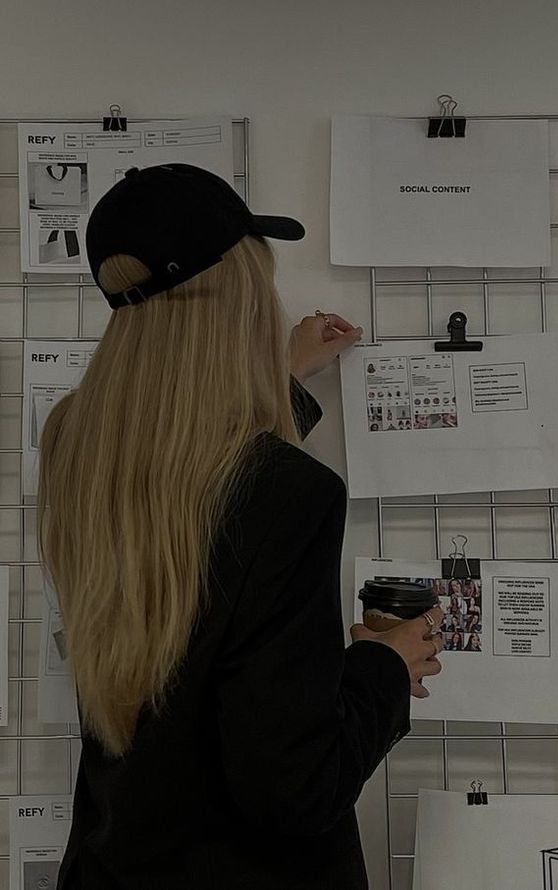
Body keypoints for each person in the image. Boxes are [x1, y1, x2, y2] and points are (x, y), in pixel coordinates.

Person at [36, 163, 444, 890]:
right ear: (239, 294)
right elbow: (293, 789)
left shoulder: (76, 444)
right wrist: (385, 666)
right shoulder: (293, 497)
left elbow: (192, 493)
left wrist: (281, 382)